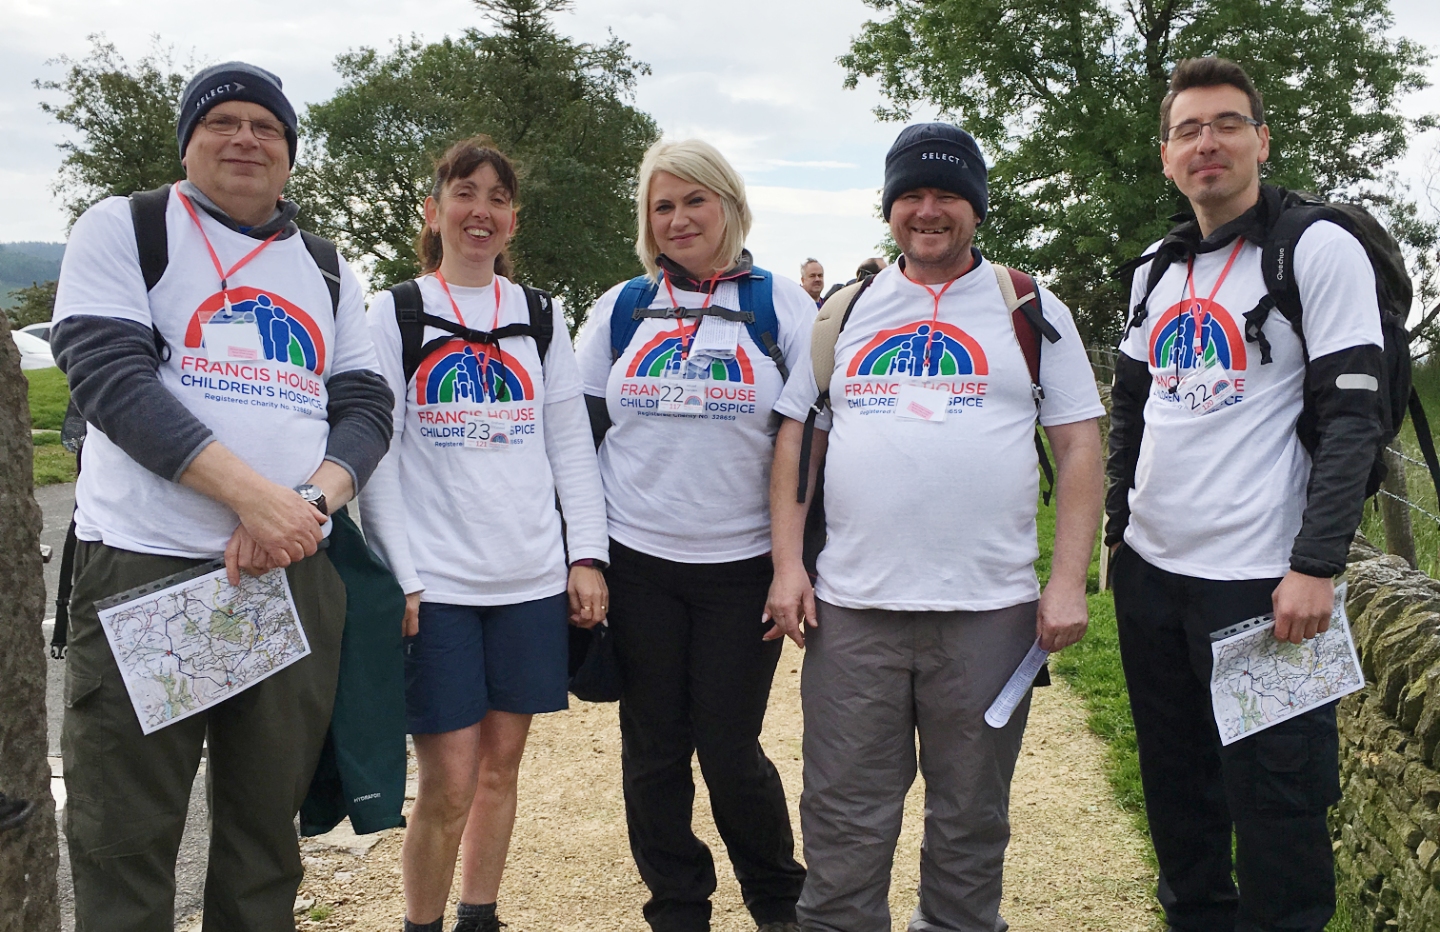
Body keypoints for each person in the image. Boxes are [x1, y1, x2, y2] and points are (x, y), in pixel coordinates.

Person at [49, 62, 394, 931]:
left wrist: (308, 505)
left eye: (266, 127)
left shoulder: (320, 266)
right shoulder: (128, 226)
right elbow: (106, 374)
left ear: (288, 154)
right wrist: (257, 500)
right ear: (188, 141)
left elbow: (365, 405)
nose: (245, 138)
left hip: (285, 574)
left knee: (261, 838)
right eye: (222, 122)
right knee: (124, 837)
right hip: (148, 569)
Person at [767, 122, 1105, 932]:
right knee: (845, 820)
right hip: (853, 613)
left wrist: (1066, 582)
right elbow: (794, 442)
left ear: (975, 209)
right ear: (889, 209)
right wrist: (788, 566)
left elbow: (1081, 445)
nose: (928, 210)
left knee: (970, 823)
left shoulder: (1029, 307)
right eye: (910, 195)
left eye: (946, 194)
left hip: (990, 616)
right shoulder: (845, 312)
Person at [1106, 57, 1385, 932]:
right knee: (1181, 808)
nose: (1207, 142)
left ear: (1260, 140)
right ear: (1166, 156)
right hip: (1154, 583)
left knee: (1280, 821)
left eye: (1227, 123)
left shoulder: (1315, 248)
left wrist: (1316, 566)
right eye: (1188, 130)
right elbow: (1133, 406)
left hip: (1265, 592)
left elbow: (1355, 419)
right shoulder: (1156, 267)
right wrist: (1120, 526)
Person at [360, 138, 610, 932]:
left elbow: (569, 441)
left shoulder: (540, 316)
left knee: (501, 774)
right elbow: (378, 455)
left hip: (530, 580)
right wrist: (400, 575)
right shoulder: (394, 312)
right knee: (450, 783)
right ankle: (421, 924)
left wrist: (586, 556)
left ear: (512, 221)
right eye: (465, 194)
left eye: (497, 199)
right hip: (439, 587)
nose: (481, 211)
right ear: (433, 213)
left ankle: (481, 917)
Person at [573, 138, 813, 932]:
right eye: (662, 206)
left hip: (743, 568)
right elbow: (576, 438)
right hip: (639, 564)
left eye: (694, 201)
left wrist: (798, 565)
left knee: (729, 747)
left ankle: (779, 901)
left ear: (729, 203)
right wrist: (586, 556)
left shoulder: (783, 304)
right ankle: (677, 909)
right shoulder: (620, 308)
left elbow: (813, 436)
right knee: (652, 753)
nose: (678, 219)